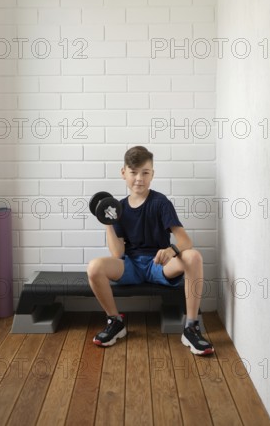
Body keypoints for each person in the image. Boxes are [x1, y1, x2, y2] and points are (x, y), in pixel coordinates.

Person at [87, 146, 214, 355]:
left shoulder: (160, 202)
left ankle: (191, 327)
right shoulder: (118, 208)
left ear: (152, 174)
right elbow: (117, 254)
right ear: (123, 173)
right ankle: (115, 321)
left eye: (145, 172)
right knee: (94, 267)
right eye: (134, 172)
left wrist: (171, 250)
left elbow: (185, 240)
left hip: (159, 264)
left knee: (193, 257)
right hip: (132, 266)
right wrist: (107, 221)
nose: (139, 178)